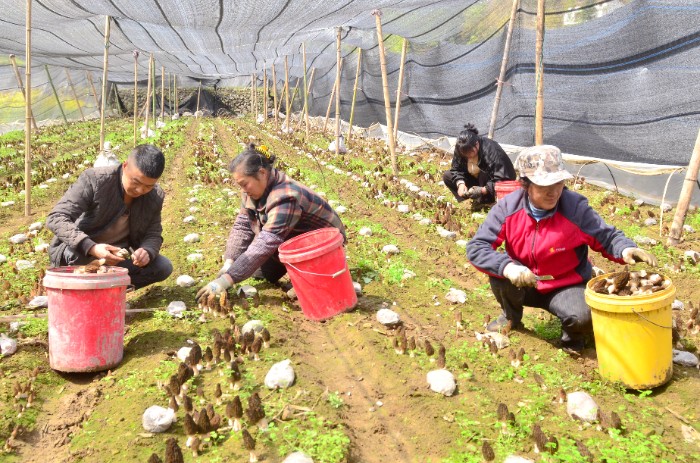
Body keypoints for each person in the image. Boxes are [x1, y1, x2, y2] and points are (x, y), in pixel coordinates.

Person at [466, 145, 657, 352]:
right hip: (523, 280)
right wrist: (508, 268)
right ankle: (511, 316)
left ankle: (572, 338)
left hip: (565, 285)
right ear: (526, 185)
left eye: (558, 183)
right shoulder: (507, 208)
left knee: (581, 316)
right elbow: (477, 247)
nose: (554, 192)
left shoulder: (574, 208)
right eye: (544, 186)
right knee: (499, 273)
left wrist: (625, 249)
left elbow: (606, 235)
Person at [196, 144, 345, 302]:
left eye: (244, 184)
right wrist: (229, 262)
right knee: (258, 274)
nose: (243, 190)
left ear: (261, 173)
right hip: (290, 240)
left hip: (322, 248)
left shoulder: (285, 196)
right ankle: (296, 272)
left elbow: (267, 241)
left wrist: (226, 280)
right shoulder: (252, 191)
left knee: (308, 295)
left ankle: (321, 277)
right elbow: (243, 225)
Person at [47, 144, 172, 290]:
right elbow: (56, 217)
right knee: (73, 254)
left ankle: (111, 292)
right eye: (136, 182)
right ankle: (85, 290)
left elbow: (153, 232)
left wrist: (147, 250)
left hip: (118, 257)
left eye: (148, 186)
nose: (140, 190)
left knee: (162, 267)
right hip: (84, 253)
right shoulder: (95, 180)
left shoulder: (155, 196)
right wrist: (92, 247)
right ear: (125, 166)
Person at [443, 123, 516, 208]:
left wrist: (484, 190)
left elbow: (502, 178)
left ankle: (487, 200)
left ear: (477, 144)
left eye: (470, 152)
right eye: (465, 154)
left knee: (483, 173)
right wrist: (460, 183)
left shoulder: (492, 150)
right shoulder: (460, 149)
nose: (468, 156)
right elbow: (456, 169)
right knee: (448, 176)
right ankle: (472, 199)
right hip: (477, 180)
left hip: (494, 182)